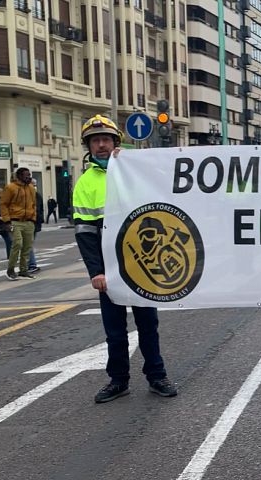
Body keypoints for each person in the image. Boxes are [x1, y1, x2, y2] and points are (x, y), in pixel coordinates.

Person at [74, 114, 178, 403]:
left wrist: (131, 162)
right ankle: (118, 380)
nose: (101, 145)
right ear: (89, 146)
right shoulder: (85, 182)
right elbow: (84, 233)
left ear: (116, 142)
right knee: (115, 331)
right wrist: (96, 271)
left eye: (106, 139)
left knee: (148, 325)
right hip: (109, 269)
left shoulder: (134, 171)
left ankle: (157, 376)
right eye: (95, 141)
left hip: (141, 264)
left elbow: (163, 189)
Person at [0, 167, 37, 280]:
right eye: (26, 175)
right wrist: (6, 221)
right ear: (19, 176)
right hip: (15, 220)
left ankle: (23, 270)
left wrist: (33, 218)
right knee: (17, 244)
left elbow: (33, 204)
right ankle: (10, 270)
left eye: (29, 175)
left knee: (27, 246)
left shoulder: (31, 188)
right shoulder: (10, 187)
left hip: (28, 221)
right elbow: (3, 204)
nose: (29, 177)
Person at [27, 180, 44, 273]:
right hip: (34, 222)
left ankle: (32, 264)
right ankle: (30, 264)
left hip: (31, 222)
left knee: (27, 244)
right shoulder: (37, 195)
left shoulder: (33, 196)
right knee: (28, 244)